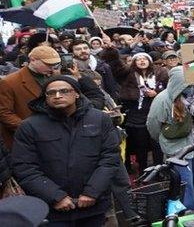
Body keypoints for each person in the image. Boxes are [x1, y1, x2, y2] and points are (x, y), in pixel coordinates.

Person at [11, 76, 120, 227]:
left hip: (93, 207)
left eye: (64, 91)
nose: (57, 96)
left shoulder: (99, 119)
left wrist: (91, 192)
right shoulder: (29, 126)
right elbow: (24, 166)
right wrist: (56, 197)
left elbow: (110, 158)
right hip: (51, 210)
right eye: (51, 93)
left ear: (76, 94)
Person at [146, 66, 194, 212]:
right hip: (177, 147)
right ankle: (189, 213)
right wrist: (165, 141)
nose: (191, 86)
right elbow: (153, 125)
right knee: (185, 183)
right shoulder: (162, 99)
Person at [114, 51, 169, 173]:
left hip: (156, 113)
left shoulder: (160, 73)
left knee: (157, 144)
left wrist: (156, 94)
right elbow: (116, 67)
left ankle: (159, 170)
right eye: (138, 59)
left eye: (145, 59)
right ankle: (143, 170)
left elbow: (168, 89)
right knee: (141, 145)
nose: (142, 61)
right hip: (137, 115)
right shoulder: (128, 75)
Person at [0, 45, 61, 149]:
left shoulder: (54, 77)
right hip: (26, 141)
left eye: (54, 65)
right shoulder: (9, 82)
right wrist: (29, 129)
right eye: (48, 64)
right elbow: (4, 113)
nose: (51, 68)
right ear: (33, 60)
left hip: (54, 136)